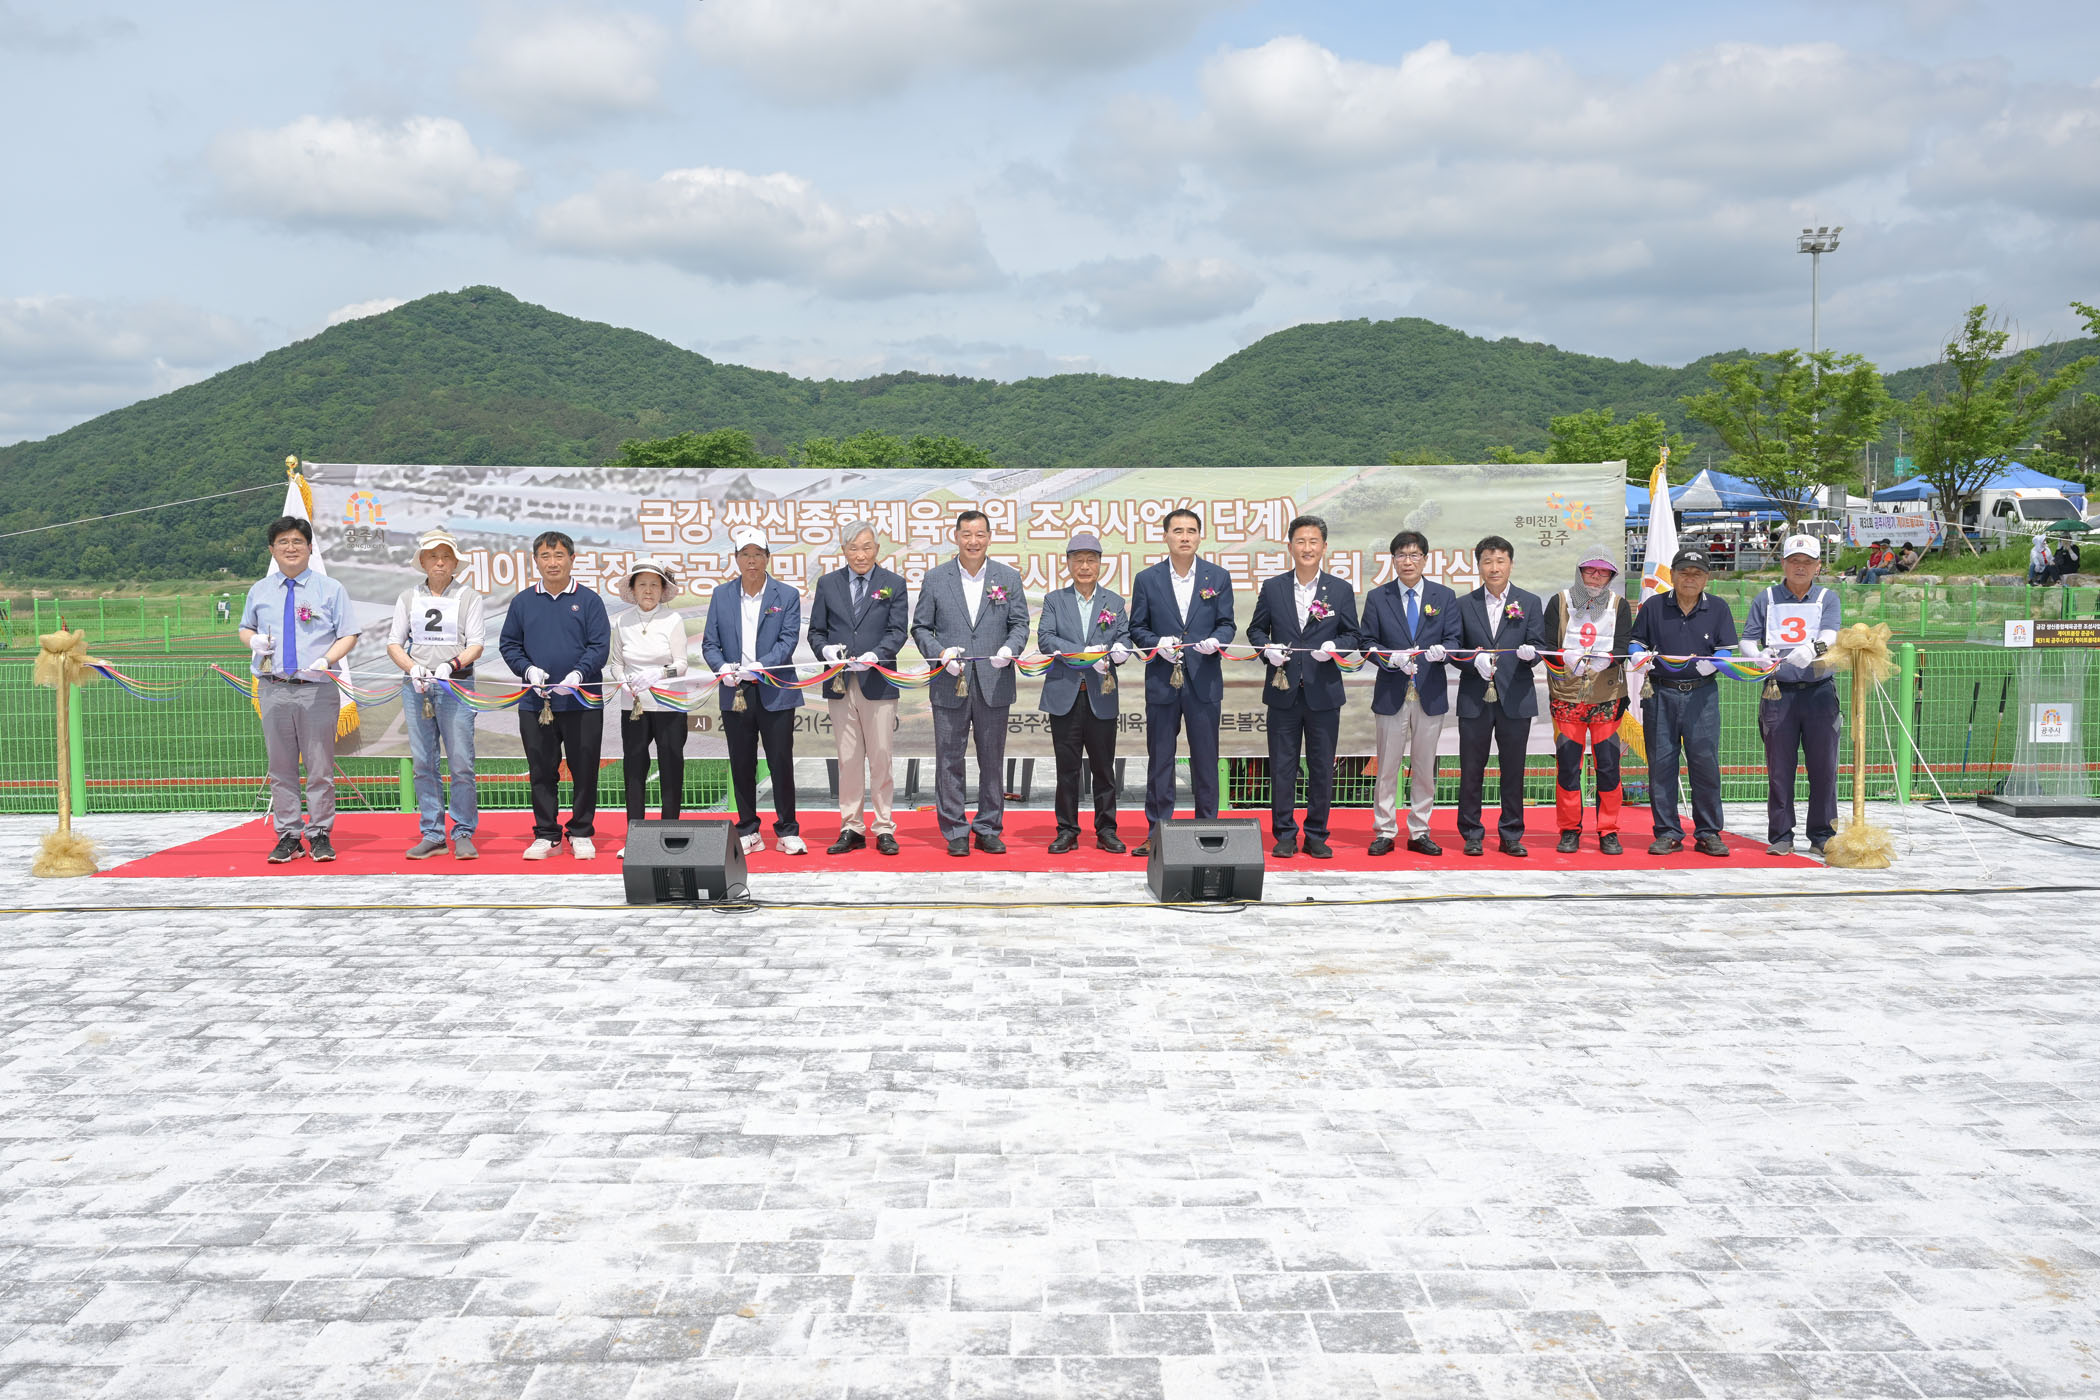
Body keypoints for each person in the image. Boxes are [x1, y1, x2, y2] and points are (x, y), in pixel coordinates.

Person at [240, 515, 360, 864]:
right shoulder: (260, 590)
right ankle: (289, 836)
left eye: (297, 541)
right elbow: (245, 628)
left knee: (319, 767)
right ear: (272, 549)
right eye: (283, 542)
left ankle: (320, 833)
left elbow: (349, 633)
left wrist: (327, 659)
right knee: (281, 767)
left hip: (316, 689)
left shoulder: (330, 589)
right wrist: (253, 640)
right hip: (274, 688)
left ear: (309, 548)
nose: (290, 548)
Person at [911, 510, 1031, 857]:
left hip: (994, 681)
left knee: (992, 759)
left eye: (980, 535)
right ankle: (955, 830)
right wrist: (940, 654)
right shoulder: (937, 578)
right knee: (949, 758)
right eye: (967, 534)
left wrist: (1010, 649)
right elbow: (920, 627)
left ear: (989, 537)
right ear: (956, 537)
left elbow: (1020, 624)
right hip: (950, 681)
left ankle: (989, 828)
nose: (973, 541)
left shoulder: (1007, 577)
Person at [1247, 514, 1360, 859]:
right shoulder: (1274, 587)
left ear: (1324, 547)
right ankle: (1284, 833)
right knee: (1282, 766)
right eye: (1301, 541)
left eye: (1313, 541)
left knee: (1322, 766)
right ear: (1290, 546)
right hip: (1283, 691)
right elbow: (1255, 630)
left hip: (1323, 692)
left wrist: (1334, 648)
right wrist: (1267, 649)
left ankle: (1316, 834)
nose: (1307, 548)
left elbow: (1352, 634)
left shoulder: (1339, 589)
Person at [1128, 508, 1237, 859]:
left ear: (1200, 536)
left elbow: (1227, 624)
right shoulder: (1148, 579)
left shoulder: (1217, 577)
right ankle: (1157, 832)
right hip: (1163, 681)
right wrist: (1155, 643)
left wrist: (1217, 641)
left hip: (1204, 680)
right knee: (1160, 759)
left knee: (1205, 759)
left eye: (1191, 530)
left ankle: (1208, 829)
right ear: (1166, 536)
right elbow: (1137, 627)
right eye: (1178, 531)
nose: (1185, 537)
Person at [499, 530, 611, 861]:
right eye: (545, 556)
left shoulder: (589, 600)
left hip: (582, 701)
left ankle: (581, 831)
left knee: (585, 769)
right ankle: (547, 834)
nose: (552, 562)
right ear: (535, 561)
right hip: (536, 703)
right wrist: (528, 671)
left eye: (559, 555)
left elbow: (599, 646)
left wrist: (578, 674)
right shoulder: (523, 602)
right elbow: (509, 644)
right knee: (541, 770)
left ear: (572, 559)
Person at [702, 526, 807, 856]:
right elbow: (710, 643)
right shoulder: (722, 595)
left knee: (780, 762)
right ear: (736, 558)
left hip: (775, 690)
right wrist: (721, 668)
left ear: (767, 558)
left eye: (757, 554)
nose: (751, 561)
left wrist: (762, 665)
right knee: (742, 762)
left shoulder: (785, 595)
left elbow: (787, 640)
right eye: (745, 554)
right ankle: (748, 829)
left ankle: (788, 830)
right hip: (736, 691)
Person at [807, 520, 910, 856]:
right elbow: (816, 632)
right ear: (844, 550)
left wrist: (876, 655)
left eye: (867, 547)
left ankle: (884, 827)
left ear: (877, 549)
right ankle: (851, 826)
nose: (861, 555)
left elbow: (898, 631)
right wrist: (825, 651)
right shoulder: (828, 583)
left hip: (877, 682)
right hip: (840, 683)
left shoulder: (893, 583)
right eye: (854, 548)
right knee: (848, 758)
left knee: (881, 757)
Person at [1629, 546, 1739, 857]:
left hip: (1702, 695)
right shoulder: (1653, 606)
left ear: (1707, 578)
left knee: (1705, 764)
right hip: (1660, 693)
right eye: (1684, 572)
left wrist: (1715, 662)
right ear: (1673, 575)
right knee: (1661, 765)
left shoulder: (1718, 608)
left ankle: (1708, 832)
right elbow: (1636, 640)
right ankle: (1667, 832)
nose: (1690, 578)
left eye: (1697, 573)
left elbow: (1726, 648)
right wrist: (1637, 654)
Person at [1358, 530, 1462, 858]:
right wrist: (1390, 659)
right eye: (1401, 555)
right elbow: (1366, 642)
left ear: (1425, 559)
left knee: (1424, 766)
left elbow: (1455, 640)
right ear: (1393, 560)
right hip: (1392, 693)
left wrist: (1443, 652)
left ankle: (1420, 830)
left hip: (1430, 693)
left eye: (1414, 555)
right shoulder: (1379, 597)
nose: (1408, 561)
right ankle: (1385, 830)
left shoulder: (1443, 596)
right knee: (1387, 767)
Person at [385, 528, 486, 860]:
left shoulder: (469, 597)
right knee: (423, 763)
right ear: (423, 562)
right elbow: (394, 642)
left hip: (456, 685)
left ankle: (463, 831)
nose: (440, 562)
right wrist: (412, 667)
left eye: (446, 557)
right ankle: (432, 833)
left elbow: (476, 644)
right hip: (418, 687)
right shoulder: (408, 597)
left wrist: (451, 664)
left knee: (461, 762)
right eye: (433, 556)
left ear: (455, 563)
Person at [1743, 534, 1843, 857]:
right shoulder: (1767, 598)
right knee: (1779, 767)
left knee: (1824, 767)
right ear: (1783, 564)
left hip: (1819, 692)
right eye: (1794, 561)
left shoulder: (1827, 598)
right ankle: (1781, 834)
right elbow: (1747, 639)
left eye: (1807, 562)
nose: (1800, 567)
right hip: (1778, 692)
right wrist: (1756, 655)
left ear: (1818, 566)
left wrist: (1813, 649)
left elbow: (1831, 634)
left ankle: (1822, 834)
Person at [1036, 531, 1132, 854]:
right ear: (1068, 563)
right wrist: (1083, 653)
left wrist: (1120, 650)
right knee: (1067, 769)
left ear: (1101, 564)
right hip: (1065, 695)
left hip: (1101, 695)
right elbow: (1046, 639)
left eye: (1091, 560)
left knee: (1104, 768)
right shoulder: (1054, 600)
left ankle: (1106, 830)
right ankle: (1067, 830)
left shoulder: (1114, 602)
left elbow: (1125, 638)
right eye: (1079, 560)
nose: (1085, 566)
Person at [1452, 535, 1546, 857]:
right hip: (1474, 698)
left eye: (1500, 561)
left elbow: (1540, 645)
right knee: (1471, 769)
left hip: (1515, 698)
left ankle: (1511, 834)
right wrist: (1472, 661)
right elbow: (1454, 648)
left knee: (1513, 770)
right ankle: (1471, 833)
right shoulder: (1464, 604)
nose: (1494, 568)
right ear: (1478, 566)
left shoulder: (1529, 602)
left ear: (1511, 564)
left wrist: (1531, 654)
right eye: (1487, 561)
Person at [1539, 554, 1635, 856]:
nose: (1595, 577)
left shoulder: (1619, 605)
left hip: (1607, 697)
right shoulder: (1559, 601)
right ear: (1579, 572)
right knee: (1568, 766)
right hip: (1567, 697)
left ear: (1611, 577)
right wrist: (1563, 657)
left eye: (1603, 573)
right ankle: (1569, 829)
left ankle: (1609, 830)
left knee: (1609, 766)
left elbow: (1623, 646)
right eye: (1590, 571)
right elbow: (1547, 644)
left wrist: (1610, 659)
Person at [607, 557, 691, 858]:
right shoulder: (622, 621)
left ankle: (670, 833)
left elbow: (681, 664)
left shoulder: (673, 620)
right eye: (642, 584)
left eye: (654, 585)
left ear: (663, 589)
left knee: (671, 767)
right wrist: (622, 679)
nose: (648, 590)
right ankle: (636, 836)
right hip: (634, 706)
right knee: (634, 768)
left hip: (669, 704)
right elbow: (616, 663)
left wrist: (659, 674)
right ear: (632, 589)